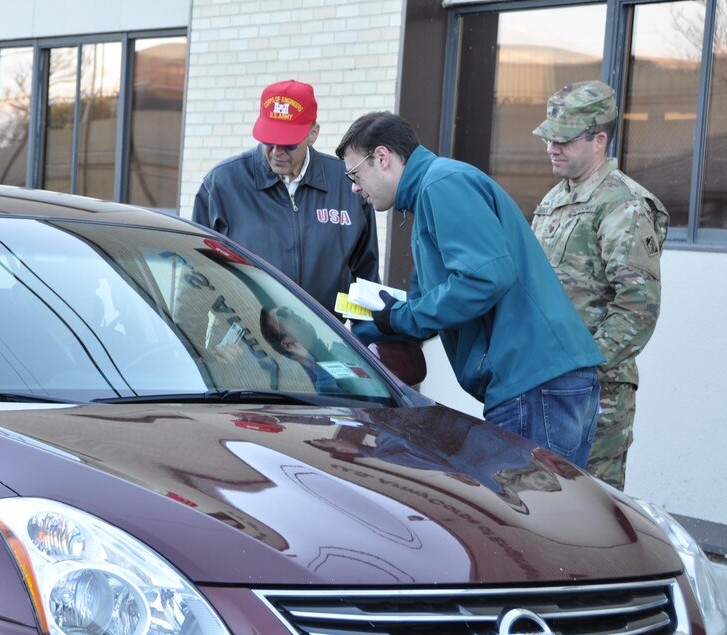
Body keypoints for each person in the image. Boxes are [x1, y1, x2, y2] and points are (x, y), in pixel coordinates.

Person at [337, 111, 604, 469]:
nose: (355, 187)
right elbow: (428, 303)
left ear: (382, 157)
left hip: (532, 381)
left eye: (355, 174)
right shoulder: (432, 192)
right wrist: (367, 328)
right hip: (537, 381)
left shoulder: (441, 185)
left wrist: (400, 315)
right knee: (544, 515)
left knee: (529, 518)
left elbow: (484, 279)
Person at [530, 80, 669, 490]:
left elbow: (637, 308)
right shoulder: (554, 200)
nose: (552, 147)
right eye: (549, 138)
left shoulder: (623, 204)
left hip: (595, 393)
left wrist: (583, 367)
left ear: (598, 140)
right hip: (546, 384)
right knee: (545, 508)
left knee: (594, 514)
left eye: (563, 140)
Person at [192, 80, 380, 316]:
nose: (277, 152)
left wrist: (369, 343)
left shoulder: (347, 185)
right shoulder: (221, 185)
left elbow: (366, 280)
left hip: (323, 341)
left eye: (289, 143)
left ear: (313, 134)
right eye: (269, 140)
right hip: (241, 343)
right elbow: (194, 274)